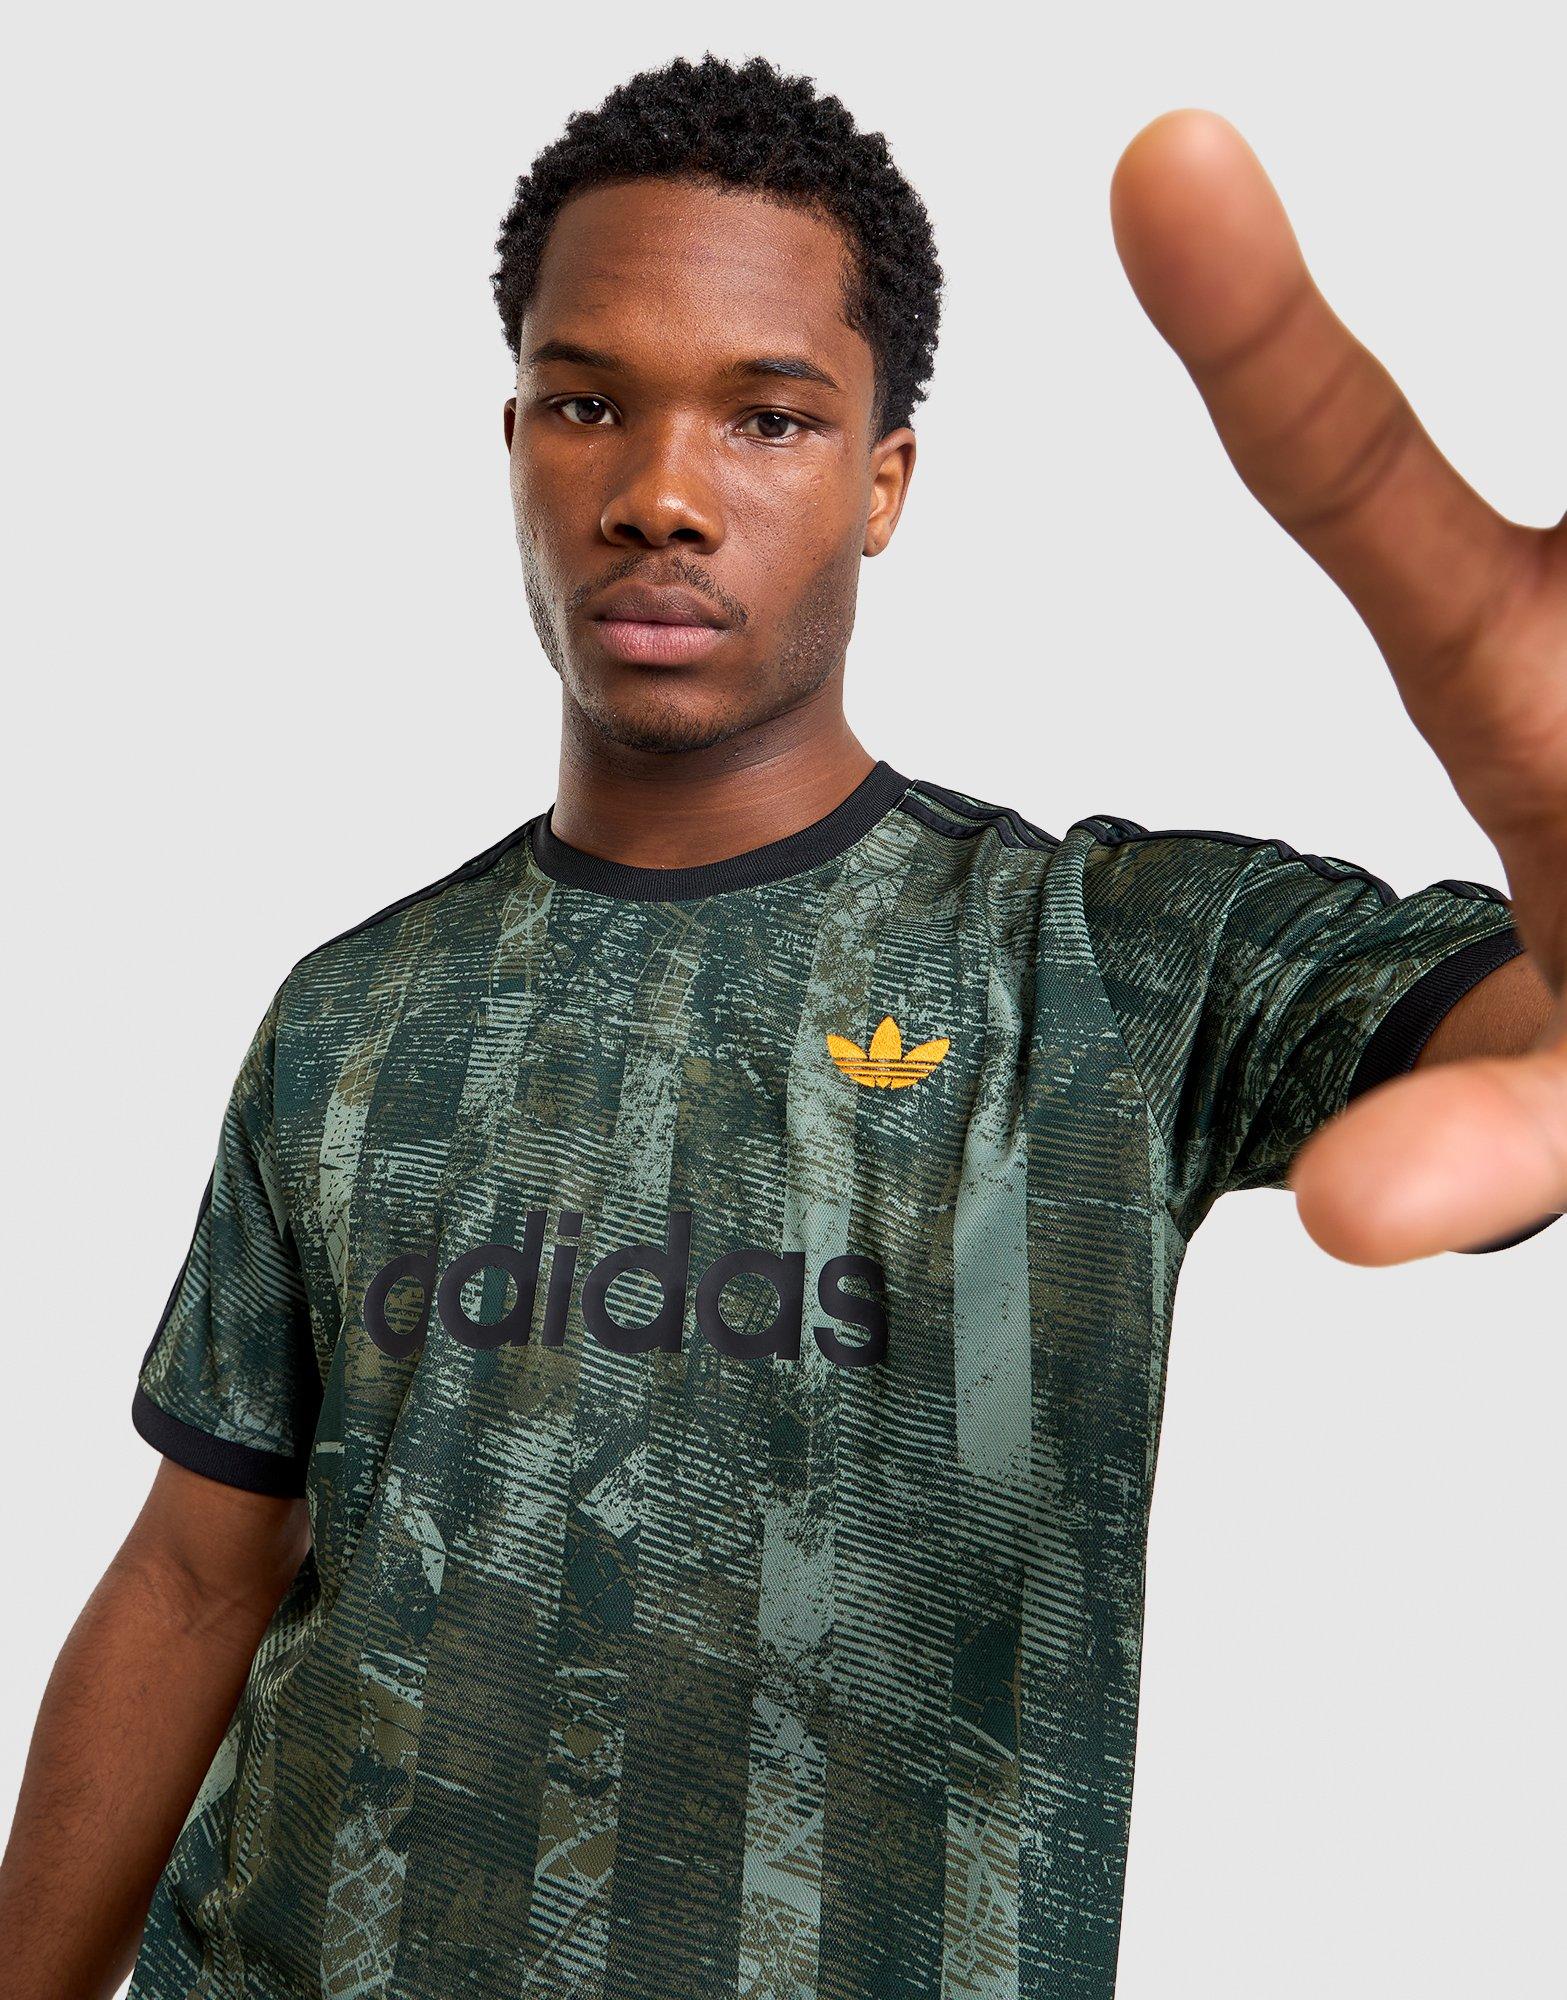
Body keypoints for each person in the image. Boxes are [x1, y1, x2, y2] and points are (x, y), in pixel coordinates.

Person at [1, 53, 1561, 2000]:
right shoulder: (352, 1015)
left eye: (766, 415)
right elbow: (191, 1576)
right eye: (588, 402)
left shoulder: (1104, 961)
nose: (660, 495)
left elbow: (1503, 1044)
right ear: (513, 438)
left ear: (882, 478)